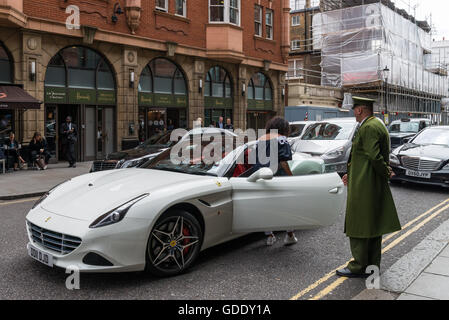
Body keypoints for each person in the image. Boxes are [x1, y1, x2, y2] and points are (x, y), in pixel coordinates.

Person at [337, 97, 401, 278]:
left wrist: (386, 171)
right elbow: (364, 156)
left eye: (354, 109)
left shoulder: (368, 127)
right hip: (367, 179)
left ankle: (357, 266)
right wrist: (352, 173)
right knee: (373, 225)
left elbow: (374, 156)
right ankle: (372, 265)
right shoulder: (376, 124)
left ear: (360, 110)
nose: (352, 112)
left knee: (358, 224)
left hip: (365, 184)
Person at [252, 117, 298, 246]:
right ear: (284, 128)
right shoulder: (281, 139)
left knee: (266, 207)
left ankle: (270, 236)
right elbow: (283, 162)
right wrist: (291, 176)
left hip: (261, 177)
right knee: (285, 207)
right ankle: (289, 235)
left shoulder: (259, 140)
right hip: (278, 177)